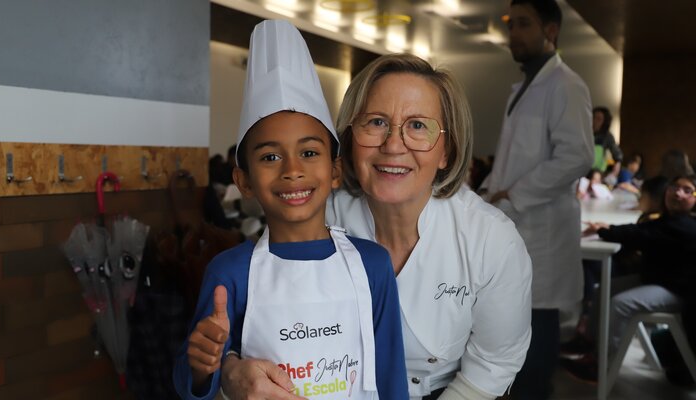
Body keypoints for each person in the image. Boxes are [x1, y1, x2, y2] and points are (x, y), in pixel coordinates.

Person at [218, 52, 533, 400]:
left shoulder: (491, 240)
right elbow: (251, 308)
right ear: (350, 138)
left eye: (418, 126)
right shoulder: (321, 216)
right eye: (376, 122)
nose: (393, 145)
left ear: (446, 151)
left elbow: (494, 362)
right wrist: (229, 368)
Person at [173, 20, 407, 400]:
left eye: (309, 152)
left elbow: (391, 375)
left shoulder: (373, 265)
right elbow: (192, 381)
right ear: (244, 181)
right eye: (270, 157)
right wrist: (202, 365)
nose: (292, 169)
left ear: (335, 171)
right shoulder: (229, 271)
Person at [479, 0, 594, 398]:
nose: (513, 33)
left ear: (551, 30)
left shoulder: (566, 84)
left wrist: (515, 194)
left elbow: (576, 157)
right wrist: (485, 194)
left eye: (523, 24)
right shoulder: (524, 87)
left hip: (542, 230)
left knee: (536, 328)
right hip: (518, 223)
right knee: (513, 324)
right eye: (511, 24)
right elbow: (511, 158)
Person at [565, 175, 696, 381]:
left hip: (675, 290)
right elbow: (642, 230)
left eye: (687, 190)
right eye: (675, 187)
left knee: (620, 304)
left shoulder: (686, 226)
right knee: (602, 290)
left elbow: (641, 235)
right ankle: (588, 341)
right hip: (657, 280)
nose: (678, 193)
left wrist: (605, 230)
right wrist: (606, 228)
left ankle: (601, 365)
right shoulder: (669, 220)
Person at [591, 106, 623, 172]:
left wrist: (618, 162)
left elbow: (616, 151)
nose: (594, 121)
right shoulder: (584, 133)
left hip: (598, 170)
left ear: (604, 122)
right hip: (583, 168)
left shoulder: (607, 136)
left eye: (599, 119)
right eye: (593, 118)